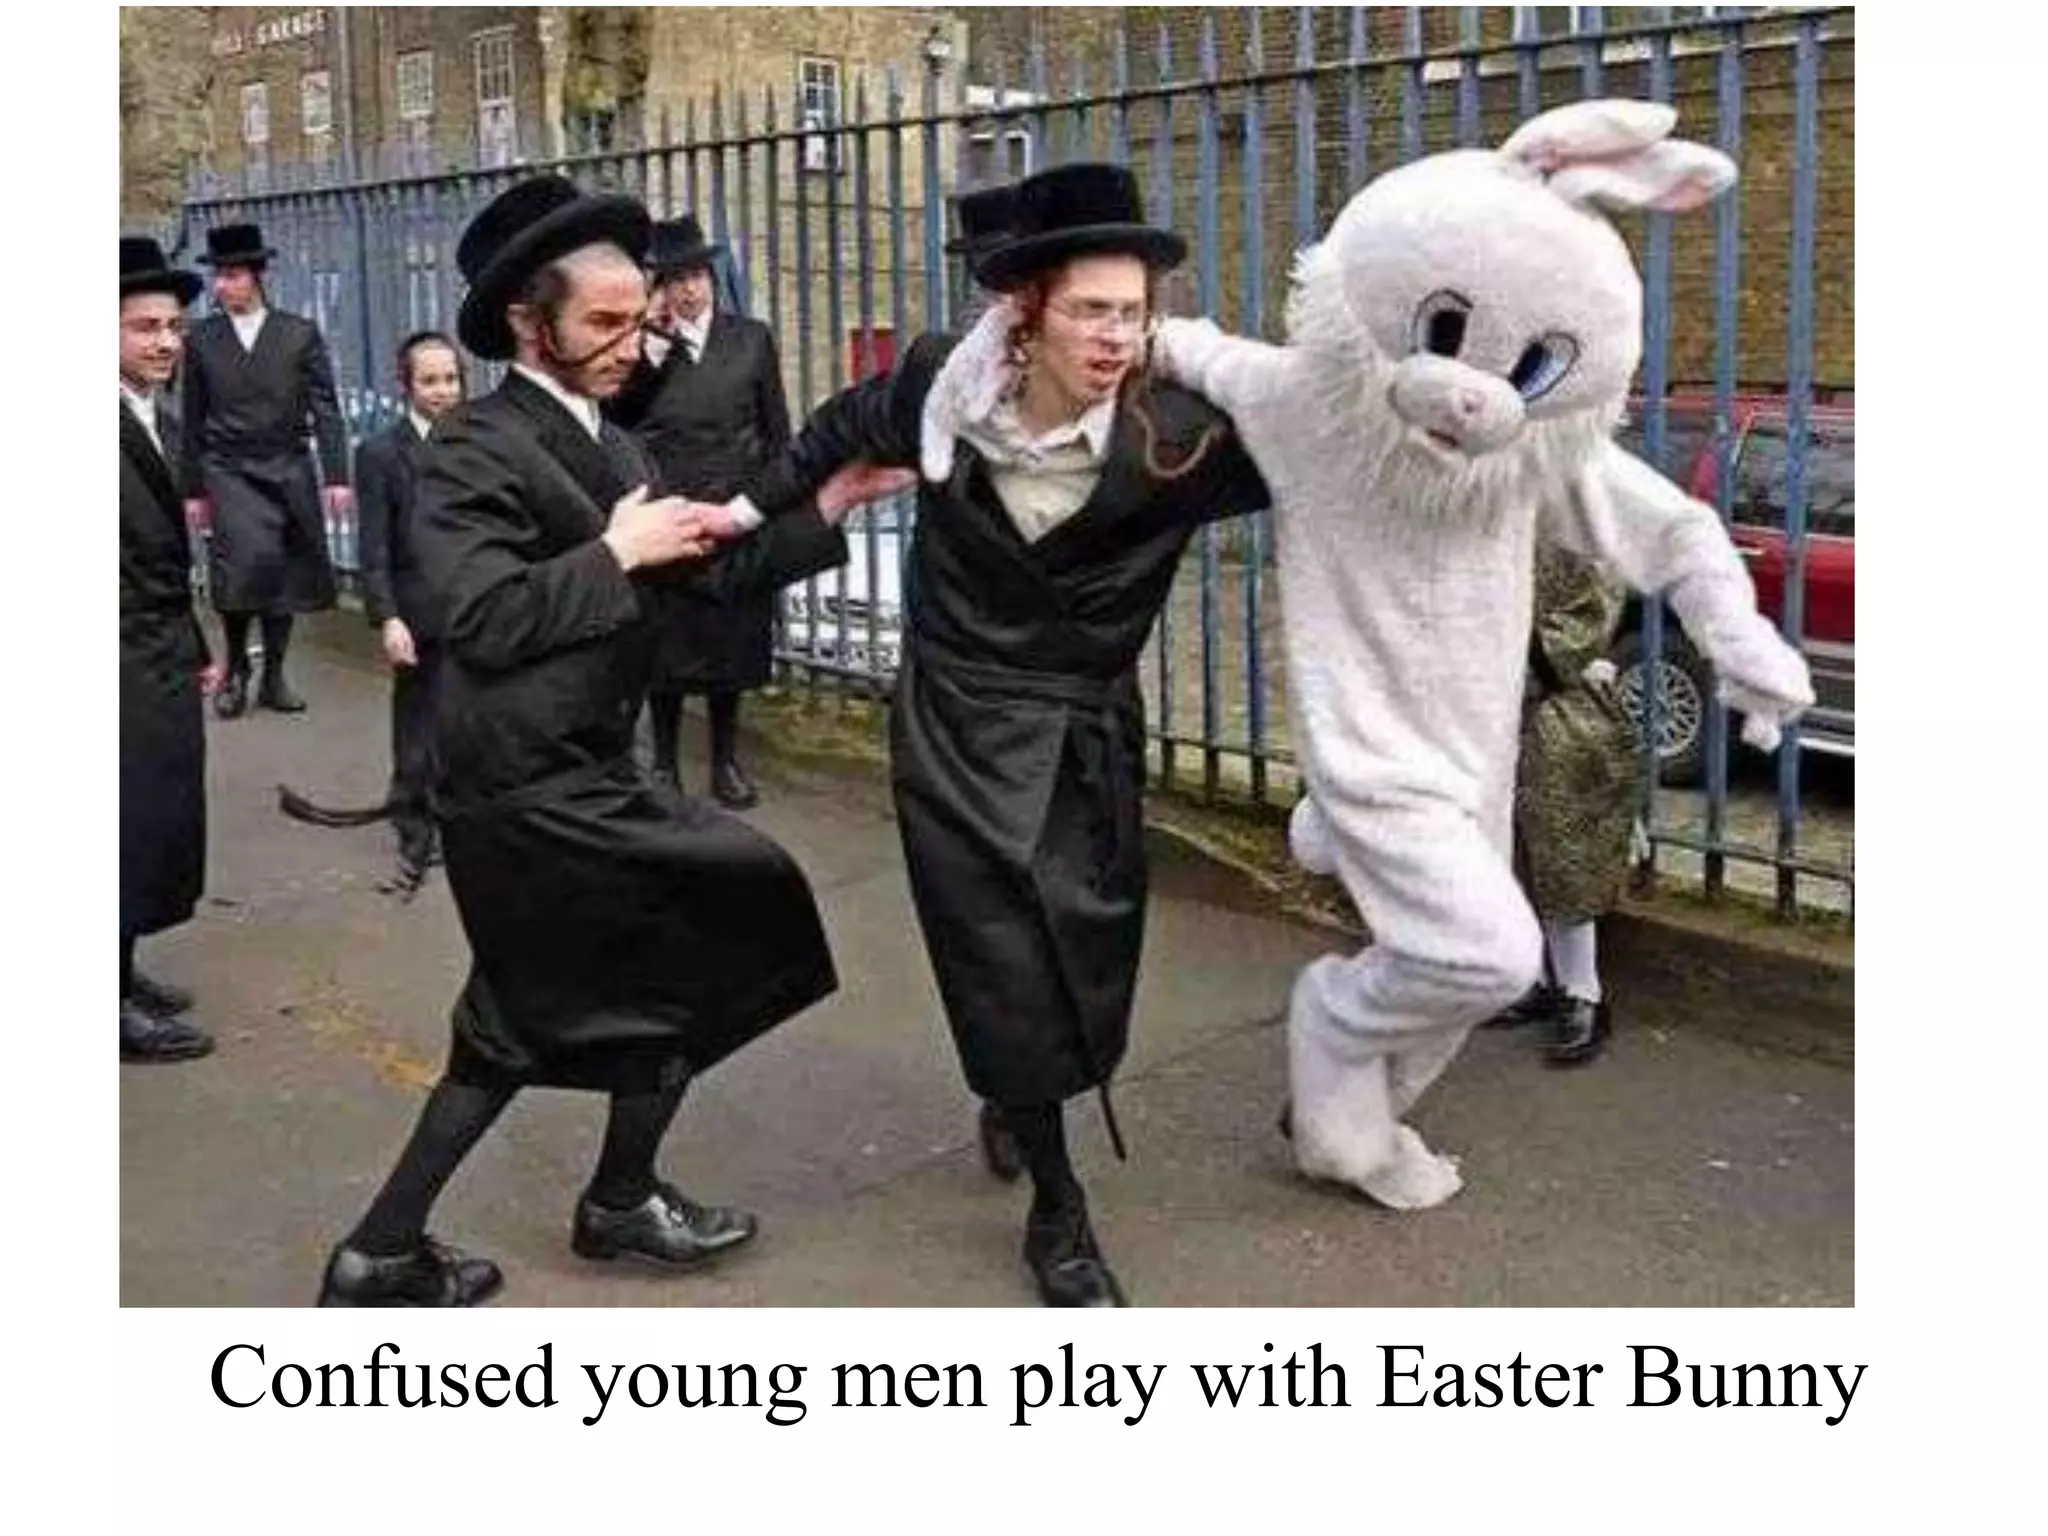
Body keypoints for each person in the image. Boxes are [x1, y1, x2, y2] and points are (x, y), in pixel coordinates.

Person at [317, 176, 887, 1307]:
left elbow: (698, 571)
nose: (639, 341)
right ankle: (409, 1245)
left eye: (643, 315)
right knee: (555, 1001)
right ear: (531, 326)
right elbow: (473, 618)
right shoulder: (471, 446)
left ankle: (586, 1205)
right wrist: (610, 558)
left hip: (586, 773)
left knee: (648, 964)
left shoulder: (613, 451)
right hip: (519, 788)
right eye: (606, 323)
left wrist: (831, 508)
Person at [734, 163, 1271, 1307]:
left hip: (1081, 731)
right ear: (1024, 311)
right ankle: (1058, 1209)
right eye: (1091, 309)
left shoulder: (1180, 435)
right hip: (953, 720)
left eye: (1133, 312)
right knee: (993, 948)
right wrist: (742, 513)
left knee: (1081, 952)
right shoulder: (941, 392)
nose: (1116, 335)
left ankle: (1016, 1092)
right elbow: (830, 433)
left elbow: (1341, 454)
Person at [604, 215, 790, 808]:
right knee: (668, 648)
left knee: (731, 646)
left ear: (712, 277)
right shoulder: (645, 349)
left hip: (735, 512)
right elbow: (620, 422)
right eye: (676, 279)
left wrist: (773, 503)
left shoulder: (751, 339)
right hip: (671, 513)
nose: (688, 290)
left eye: (697, 276)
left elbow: (776, 430)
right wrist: (651, 347)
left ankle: (726, 761)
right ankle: (663, 763)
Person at [181, 222, 352, 718]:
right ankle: (236, 669)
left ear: (256, 276)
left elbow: (326, 407)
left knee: (283, 571)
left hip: (289, 464)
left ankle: (275, 676)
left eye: (232, 275)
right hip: (228, 468)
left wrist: (338, 475)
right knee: (241, 569)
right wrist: (193, 487)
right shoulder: (203, 340)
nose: (222, 286)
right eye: (218, 277)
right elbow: (192, 416)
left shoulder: (299, 333)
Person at [120, 235, 216, 1063]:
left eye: (173, 326)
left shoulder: (155, 413)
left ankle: (121, 968)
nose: (162, 341)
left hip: (153, 645)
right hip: (116, 657)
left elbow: (164, 553)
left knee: (153, 818)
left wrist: (191, 638)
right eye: (143, 326)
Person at [1492, 544, 1640, 1065]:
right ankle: (1529, 979)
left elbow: (1595, 600)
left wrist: (1520, 660)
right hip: (1488, 703)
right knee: (1500, 845)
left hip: (1561, 703)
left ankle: (1583, 993)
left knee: (1564, 844)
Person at [354, 331, 466, 891]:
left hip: (471, 603)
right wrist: (389, 616)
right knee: (419, 719)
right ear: (406, 386)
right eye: (430, 381)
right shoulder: (380, 453)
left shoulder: (477, 444)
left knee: (466, 717)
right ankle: (413, 819)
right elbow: (373, 546)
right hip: (417, 611)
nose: (443, 391)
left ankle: (458, 814)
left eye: (451, 379)